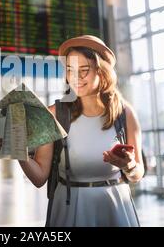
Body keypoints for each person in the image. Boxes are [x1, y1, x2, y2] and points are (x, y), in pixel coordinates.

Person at [18, 35, 144, 227]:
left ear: (102, 72)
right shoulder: (53, 114)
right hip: (70, 209)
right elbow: (39, 177)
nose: (75, 78)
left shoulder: (124, 113)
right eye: (70, 70)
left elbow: (137, 174)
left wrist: (129, 166)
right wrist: (19, 150)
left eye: (84, 70)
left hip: (116, 207)